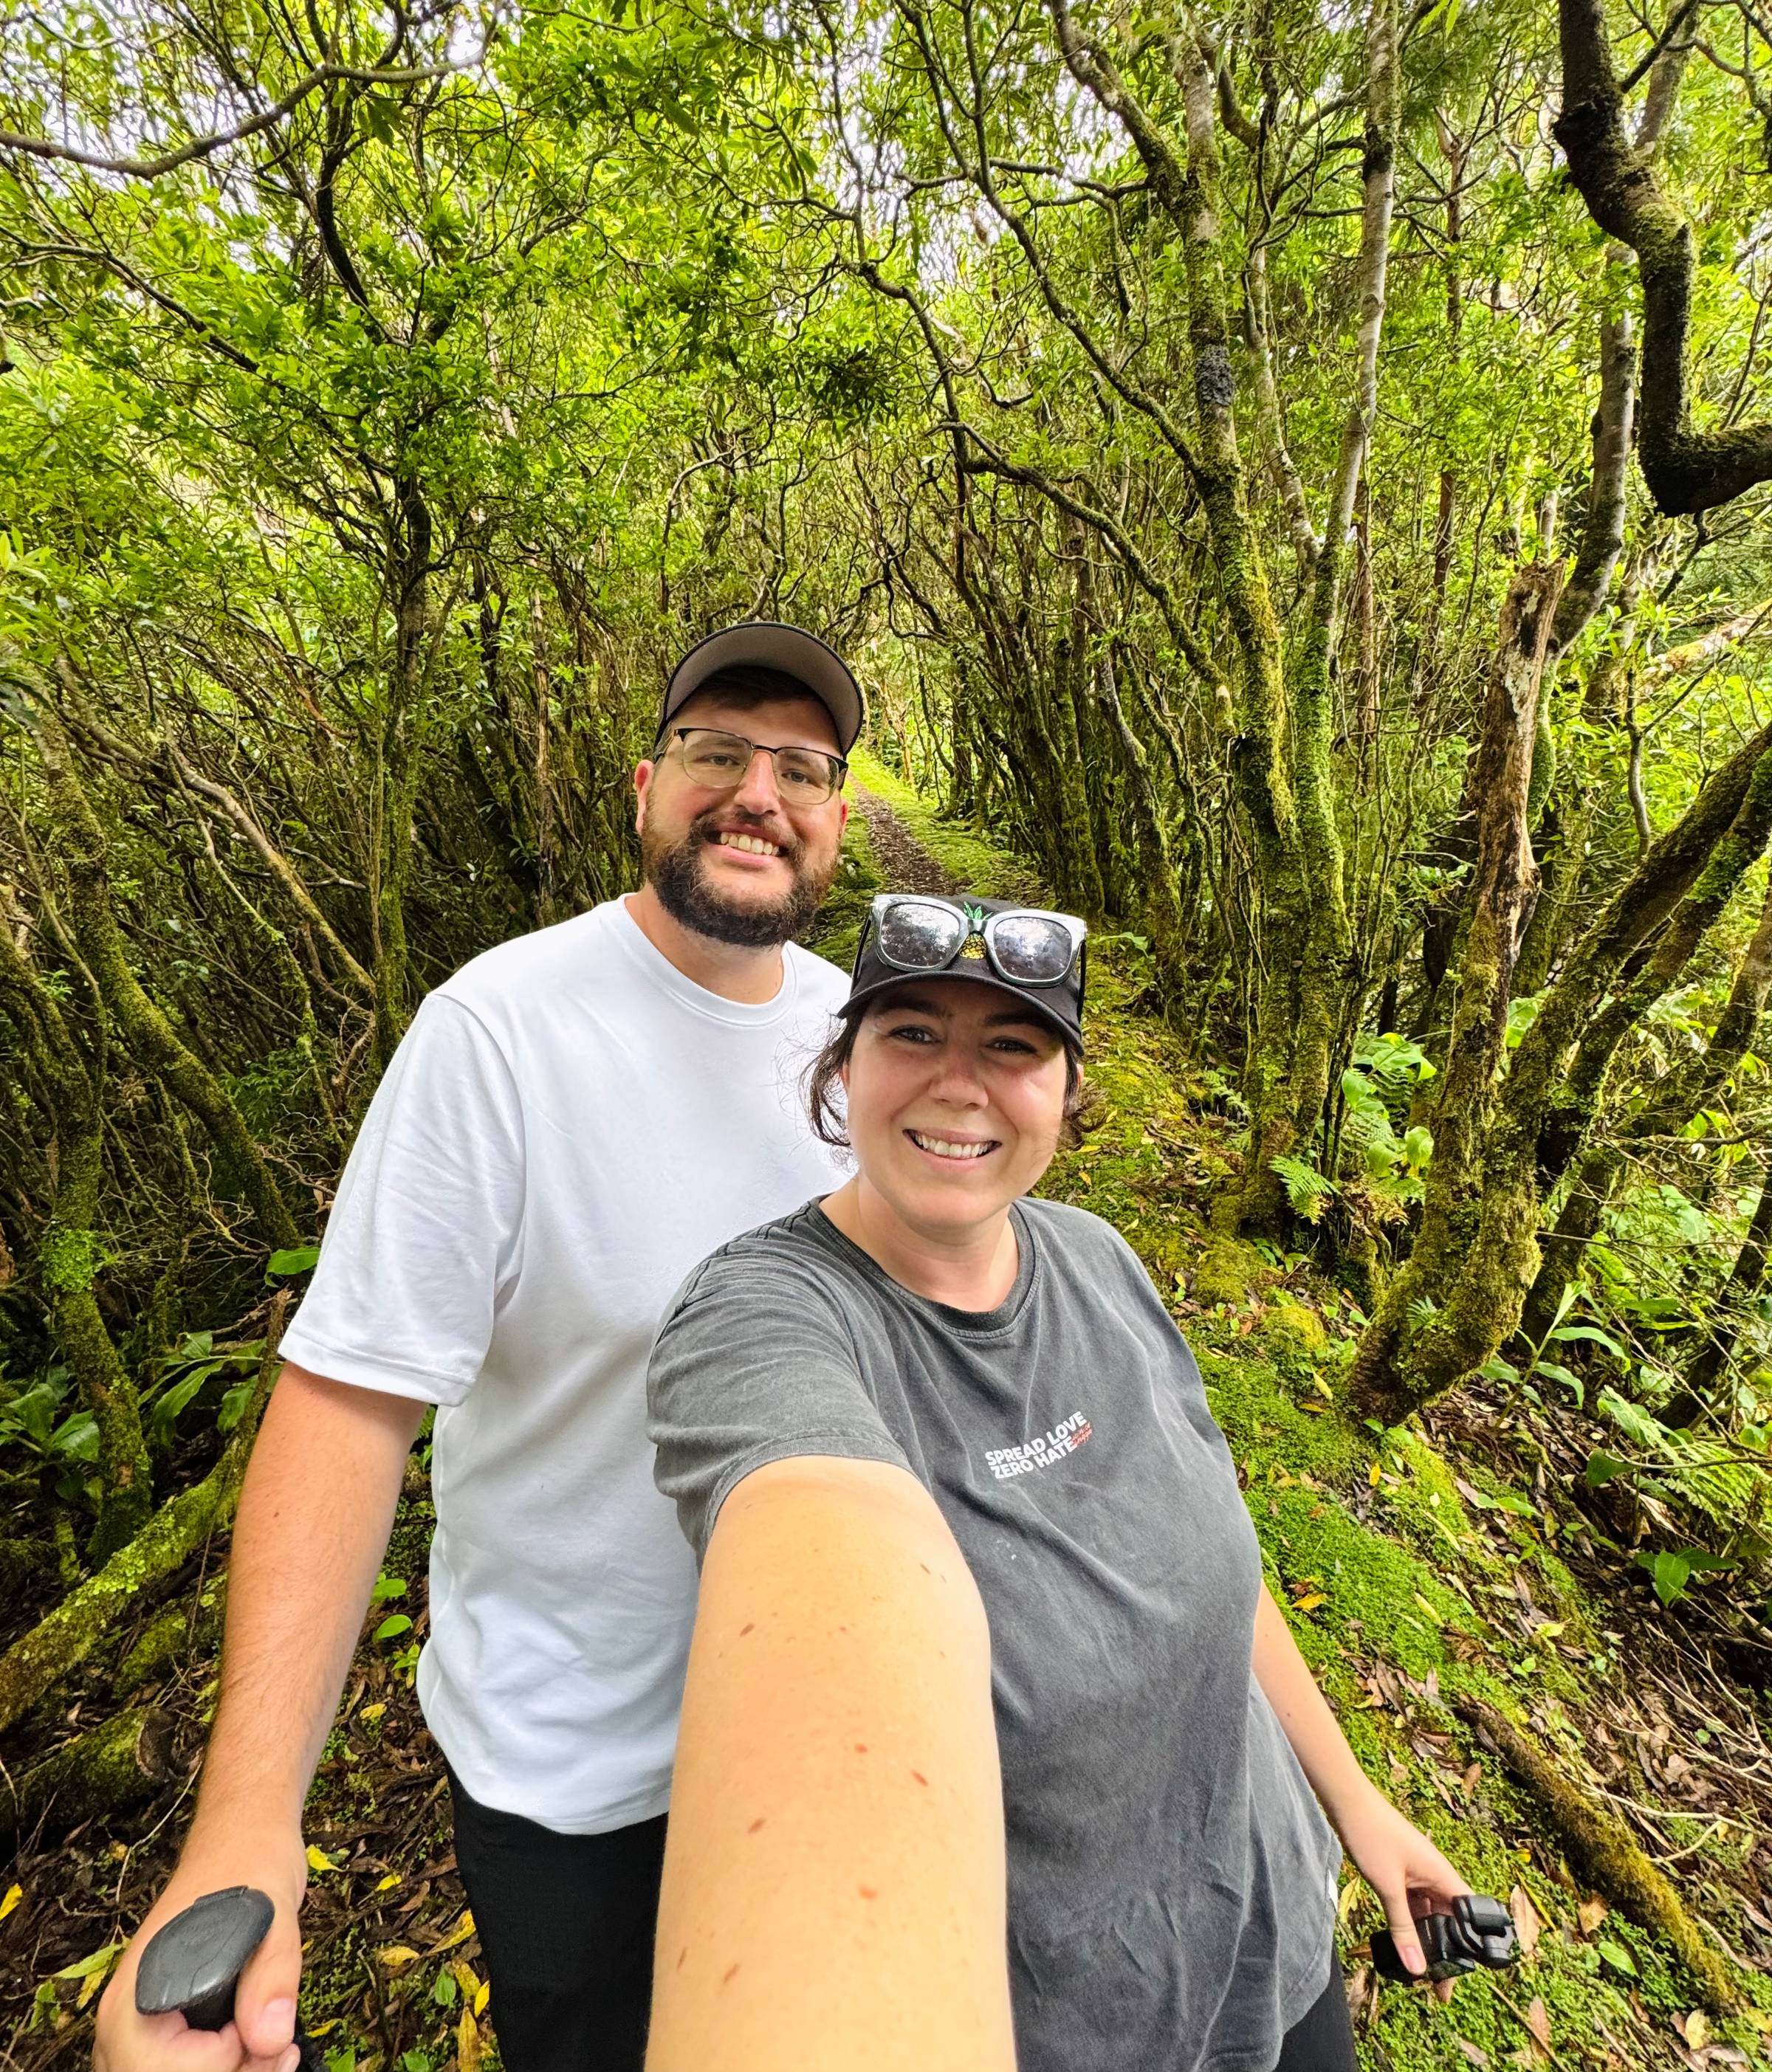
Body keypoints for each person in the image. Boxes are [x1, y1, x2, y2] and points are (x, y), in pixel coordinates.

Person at [96, 623, 866, 2072]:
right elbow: (347, 1401)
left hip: (813, 1732)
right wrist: (246, 1827)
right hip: (572, 1770)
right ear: (645, 788)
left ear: (836, 819)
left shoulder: (860, 1035)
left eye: (801, 768)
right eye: (716, 754)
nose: (758, 792)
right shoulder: (501, 1031)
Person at [645, 892, 1471, 2072]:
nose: (959, 1083)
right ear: (845, 1066)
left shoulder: (1097, 1258)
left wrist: (1358, 1806)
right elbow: (820, 1559)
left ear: (1069, 1096)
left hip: (1274, 1938)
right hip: (1075, 2022)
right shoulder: (765, 1321)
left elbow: (1217, 1561)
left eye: (1014, 1048)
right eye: (913, 1033)